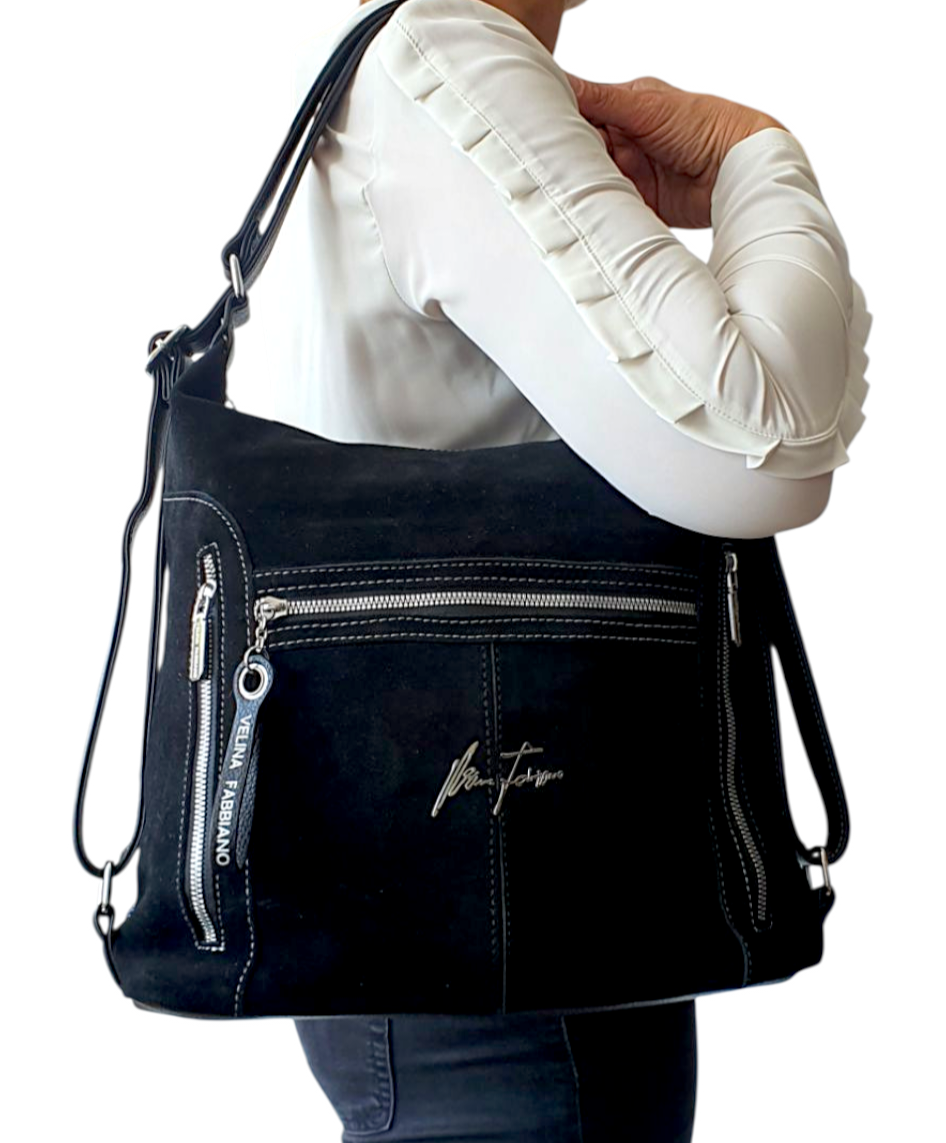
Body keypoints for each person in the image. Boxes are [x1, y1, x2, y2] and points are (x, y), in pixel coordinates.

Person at [251, 1, 871, 1139]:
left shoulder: (356, 49)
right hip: (514, 927)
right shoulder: (441, 54)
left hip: (408, 888)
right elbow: (764, 440)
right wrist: (756, 160)